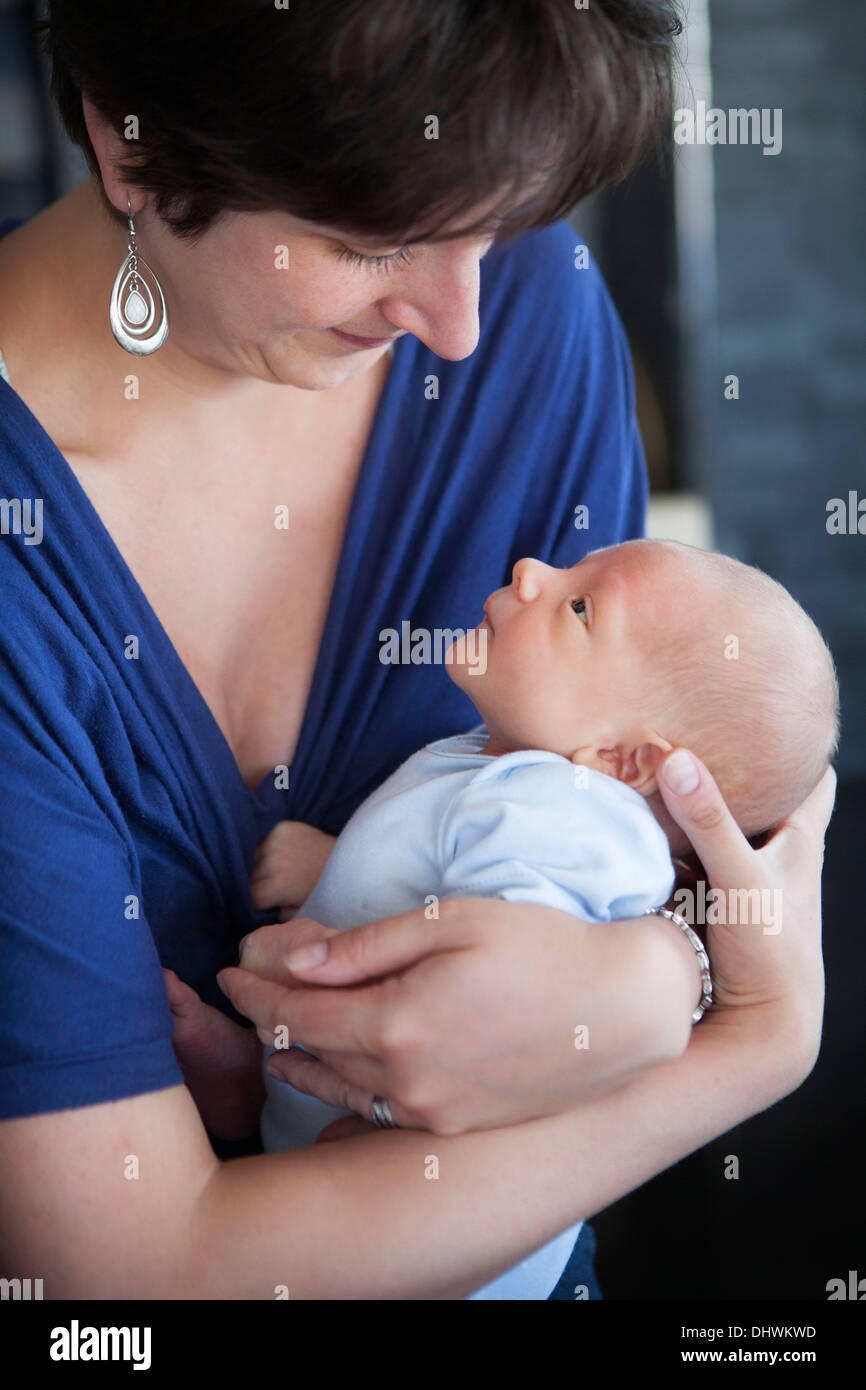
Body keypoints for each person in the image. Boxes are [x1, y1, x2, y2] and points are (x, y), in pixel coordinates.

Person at [0, 1, 834, 1300]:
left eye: (490, 227)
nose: (457, 321)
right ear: (130, 141)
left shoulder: (530, 319)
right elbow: (126, 1271)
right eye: (369, 241)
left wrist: (655, 962)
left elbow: (648, 799)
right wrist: (744, 1043)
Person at [174, 538, 838, 1298]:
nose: (532, 572)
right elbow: (440, 876)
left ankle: (263, 1091)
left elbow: (505, 983)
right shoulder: (499, 764)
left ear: (624, 763)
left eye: (581, 608)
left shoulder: (572, 814)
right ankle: (261, 1090)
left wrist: (319, 951)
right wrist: (336, 867)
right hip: (364, 1165)